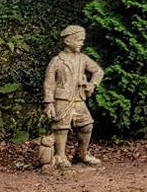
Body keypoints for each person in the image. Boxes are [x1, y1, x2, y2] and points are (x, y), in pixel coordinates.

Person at [43, 25, 104, 166]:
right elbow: (49, 83)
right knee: (61, 128)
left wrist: (92, 84)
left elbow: (98, 71)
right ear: (68, 41)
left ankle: (81, 154)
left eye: (83, 40)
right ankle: (60, 156)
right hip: (62, 99)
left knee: (87, 125)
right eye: (78, 40)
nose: (82, 43)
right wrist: (49, 103)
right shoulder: (57, 61)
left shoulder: (83, 59)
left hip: (78, 98)